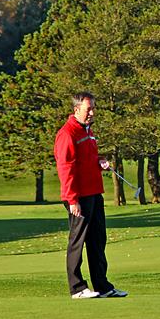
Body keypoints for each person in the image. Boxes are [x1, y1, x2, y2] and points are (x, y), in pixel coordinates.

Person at [54, 92, 128, 299]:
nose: (92, 113)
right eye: (89, 109)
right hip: (78, 197)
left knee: (97, 240)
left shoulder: (88, 131)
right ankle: (77, 288)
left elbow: (88, 158)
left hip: (94, 193)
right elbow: (65, 168)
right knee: (78, 241)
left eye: (94, 108)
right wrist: (72, 199)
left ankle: (102, 286)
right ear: (76, 110)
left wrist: (100, 161)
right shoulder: (67, 134)